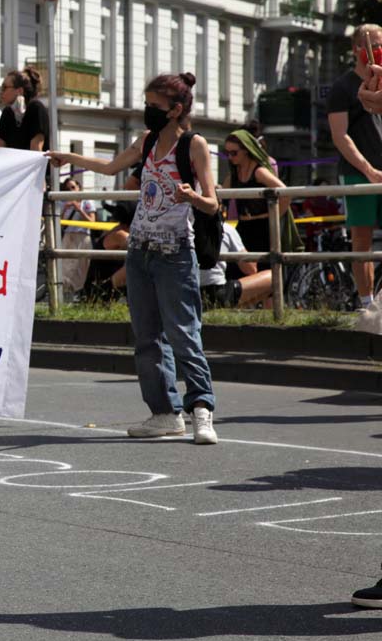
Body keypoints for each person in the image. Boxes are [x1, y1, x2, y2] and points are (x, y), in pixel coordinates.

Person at [49, 73, 220, 445]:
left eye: (154, 106)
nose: (147, 111)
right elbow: (110, 167)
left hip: (175, 253)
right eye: (147, 104)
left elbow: (212, 202)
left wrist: (191, 196)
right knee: (147, 338)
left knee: (184, 335)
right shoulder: (146, 141)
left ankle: (201, 410)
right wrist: (68, 158)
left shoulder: (194, 145)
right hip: (140, 251)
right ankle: (164, 413)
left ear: (175, 109)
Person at [328, 23, 382, 310]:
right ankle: (366, 304)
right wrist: (368, 170)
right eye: (374, 44)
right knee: (362, 239)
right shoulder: (343, 87)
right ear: (357, 49)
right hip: (358, 174)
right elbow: (340, 135)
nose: (379, 50)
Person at [221, 130, 296, 254]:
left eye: (234, 153)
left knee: (263, 264)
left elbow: (286, 194)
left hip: (263, 229)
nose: (229, 157)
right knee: (235, 264)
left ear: (246, 150)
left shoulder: (259, 172)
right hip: (242, 228)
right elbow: (221, 195)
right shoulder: (234, 174)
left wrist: (272, 216)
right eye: (226, 153)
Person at [199, 221, 273, 310]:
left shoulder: (186, 230)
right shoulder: (225, 228)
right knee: (273, 277)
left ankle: (230, 309)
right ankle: (232, 309)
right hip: (217, 293)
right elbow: (251, 269)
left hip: (188, 294)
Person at [0, 67, 48, 151]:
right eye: (1, 88)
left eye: (4, 87)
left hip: (31, 159)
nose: (1, 92)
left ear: (19, 91)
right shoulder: (7, 112)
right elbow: (0, 148)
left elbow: (36, 148)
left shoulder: (36, 108)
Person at [59, 177, 96, 294]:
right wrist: (64, 209)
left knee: (82, 266)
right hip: (68, 236)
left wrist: (79, 209)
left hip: (82, 236)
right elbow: (59, 223)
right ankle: (65, 292)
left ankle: (79, 291)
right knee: (66, 266)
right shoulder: (63, 202)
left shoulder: (86, 201)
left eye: (73, 187)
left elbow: (92, 222)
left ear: (79, 187)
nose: (71, 191)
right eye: (67, 189)